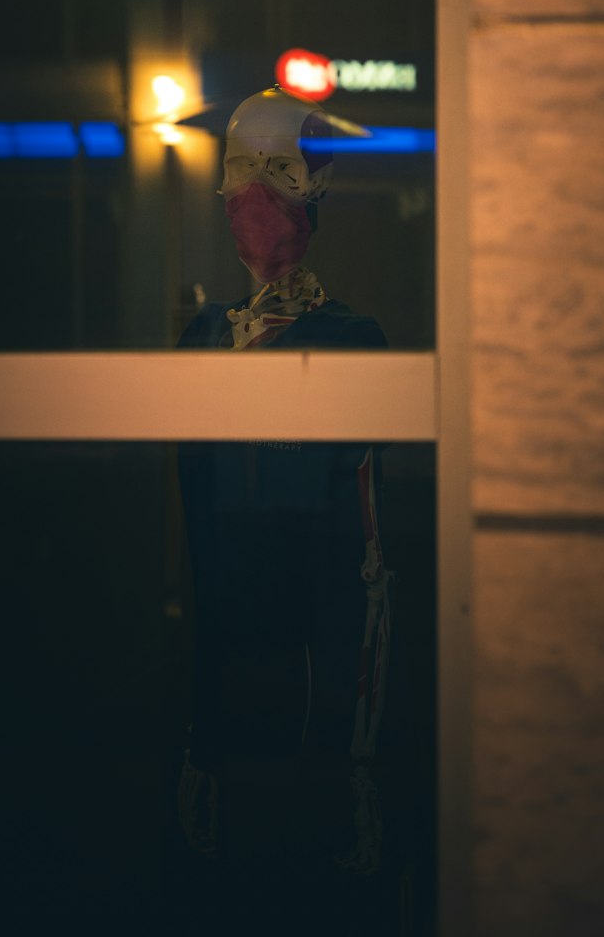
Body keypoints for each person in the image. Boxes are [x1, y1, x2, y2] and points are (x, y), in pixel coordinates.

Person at [175, 86, 393, 900]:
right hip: (237, 663)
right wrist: (198, 739)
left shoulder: (348, 339)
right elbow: (194, 541)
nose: (250, 207)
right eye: (251, 187)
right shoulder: (205, 336)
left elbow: (367, 561)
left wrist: (356, 764)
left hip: (311, 662)